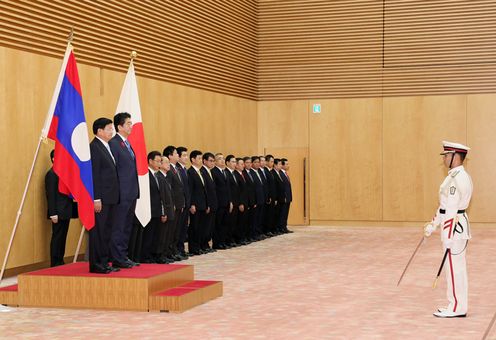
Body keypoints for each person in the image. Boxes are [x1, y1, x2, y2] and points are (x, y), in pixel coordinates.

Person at [424, 141, 473, 318]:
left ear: (455, 157)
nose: (444, 158)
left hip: (454, 229)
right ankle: (455, 304)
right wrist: (433, 224)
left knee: (455, 269)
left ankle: (457, 307)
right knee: (454, 267)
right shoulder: (454, 176)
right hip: (453, 227)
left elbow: (452, 210)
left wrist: (448, 235)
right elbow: (444, 207)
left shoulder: (456, 179)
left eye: (446, 155)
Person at [108, 112, 139, 268]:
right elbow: (113, 172)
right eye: (128, 123)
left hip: (131, 192)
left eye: (131, 123)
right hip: (121, 194)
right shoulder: (114, 144)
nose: (131, 126)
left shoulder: (127, 143)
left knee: (127, 226)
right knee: (118, 226)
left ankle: (123, 256)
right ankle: (117, 258)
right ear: (119, 126)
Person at [89, 118, 120, 274]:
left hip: (111, 197)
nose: (112, 131)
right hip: (101, 198)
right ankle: (96, 264)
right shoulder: (94, 147)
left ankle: (104, 262)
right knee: (99, 232)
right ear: (99, 131)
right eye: (109, 128)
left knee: (107, 231)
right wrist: (96, 198)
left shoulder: (107, 146)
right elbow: (95, 175)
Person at [45, 150, 78, 267]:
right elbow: (51, 195)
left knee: (63, 237)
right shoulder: (52, 174)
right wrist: (53, 213)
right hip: (57, 212)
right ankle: (54, 262)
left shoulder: (63, 174)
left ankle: (60, 260)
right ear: (54, 159)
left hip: (66, 211)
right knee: (57, 237)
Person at [162, 146, 187, 261]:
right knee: (171, 231)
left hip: (179, 204)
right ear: (170, 156)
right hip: (173, 204)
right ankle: (169, 251)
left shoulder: (176, 168)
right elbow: (170, 189)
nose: (178, 155)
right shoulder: (168, 170)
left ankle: (174, 250)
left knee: (177, 230)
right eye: (176, 153)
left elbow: (180, 188)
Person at [154, 156, 175, 263]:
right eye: (166, 162)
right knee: (162, 235)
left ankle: (166, 253)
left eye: (169, 162)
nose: (169, 164)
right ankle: (160, 255)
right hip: (164, 211)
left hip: (170, 209)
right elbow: (161, 197)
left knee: (168, 234)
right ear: (160, 164)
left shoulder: (166, 177)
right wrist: (164, 212)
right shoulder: (158, 177)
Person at [187, 150, 208, 255]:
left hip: (203, 204)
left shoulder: (201, 172)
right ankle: (193, 248)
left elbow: (204, 190)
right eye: (199, 158)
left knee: (201, 227)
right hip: (195, 204)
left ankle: (199, 246)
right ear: (193, 160)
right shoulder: (190, 172)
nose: (201, 160)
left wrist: (207, 203)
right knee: (194, 227)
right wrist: (191, 204)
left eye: (201, 158)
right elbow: (190, 190)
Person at [211, 153, 233, 249]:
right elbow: (214, 189)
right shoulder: (213, 172)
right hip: (219, 203)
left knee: (225, 223)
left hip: (227, 202)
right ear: (215, 161)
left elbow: (228, 189)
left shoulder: (225, 172)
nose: (222, 160)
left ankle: (223, 241)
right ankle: (217, 243)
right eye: (219, 159)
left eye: (223, 158)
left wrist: (230, 201)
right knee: (218, 224)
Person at [200, 152, 217, 253]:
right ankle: (203, 244)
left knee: (209, 226)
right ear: (204, 161)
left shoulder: (210, 172)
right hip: (207, 204)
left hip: (213, 203)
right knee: (205, 226)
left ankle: (206, 244)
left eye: (213, 161)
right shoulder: (202, 171)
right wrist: (208, 204)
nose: (212, 163)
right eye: (210, 161)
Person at [175, 146, 191, 257]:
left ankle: (181, 249)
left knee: (183, 228)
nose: (186, 158)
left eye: (187, 155)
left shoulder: (184, 169)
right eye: (184, 155)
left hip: (186, 203)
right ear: (178, 157)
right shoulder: (177, 169)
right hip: (180, 203)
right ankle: (177, 250)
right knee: (178, 228)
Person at [279, 158, 294, 234]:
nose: (288, 166)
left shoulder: (285, 173)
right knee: (283, 213)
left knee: (285, 213)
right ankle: (281, 227)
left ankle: (284, 227)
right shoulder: (280, 174)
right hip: (284, 197)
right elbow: (282, 187)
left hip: (288, 197)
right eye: (287, 164)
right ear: (282, 165)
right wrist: (284, 196)